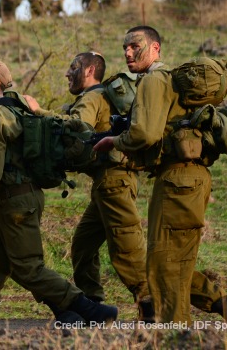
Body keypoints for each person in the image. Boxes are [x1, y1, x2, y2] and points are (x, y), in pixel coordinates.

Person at [94, 26, 227, 324]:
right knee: (169, 262)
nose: (128, 52)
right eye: (125, 48)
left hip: (180, 179)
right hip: (180, 178)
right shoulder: (165, 81)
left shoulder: (154, 81)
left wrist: (114, 142)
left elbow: (145, 133)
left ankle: (177, 335)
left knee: (167, 265)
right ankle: (216, 317)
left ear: (155, 48)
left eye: (135, 45)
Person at [0, 59, 118, 330]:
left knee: (28, 267)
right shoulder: (15, 105)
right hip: (14, 199)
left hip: (14, 200)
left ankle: (89, 308)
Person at [63, 52, 152, 320]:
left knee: (125, 251)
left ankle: (151, 306)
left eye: (73, 67)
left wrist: (38, 113)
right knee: (83, 245)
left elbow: (76, 131)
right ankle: (93, 305)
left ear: (90, 70)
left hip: (112, 182)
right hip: (110, 182)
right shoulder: (105, 97)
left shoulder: (91, 98)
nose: (68, 73)